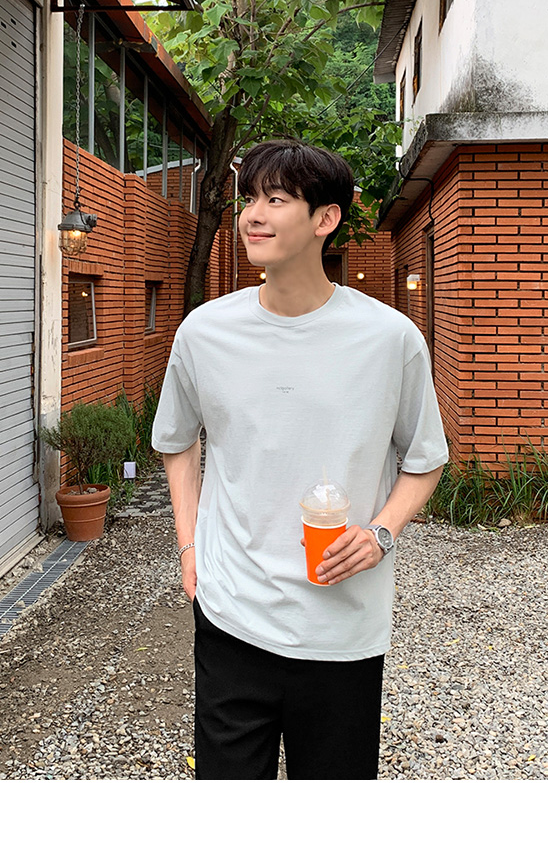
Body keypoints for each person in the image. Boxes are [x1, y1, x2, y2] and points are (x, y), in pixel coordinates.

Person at [151, 138, 448, 780]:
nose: (253, 215)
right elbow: (176, 441)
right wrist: (190, 545)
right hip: (231, 614)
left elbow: (426, 458)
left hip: (342, 628)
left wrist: (381, 533)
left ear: (326, 218)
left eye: (277, 199)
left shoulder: (389, 338)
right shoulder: (204, 332)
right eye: (249, 199)